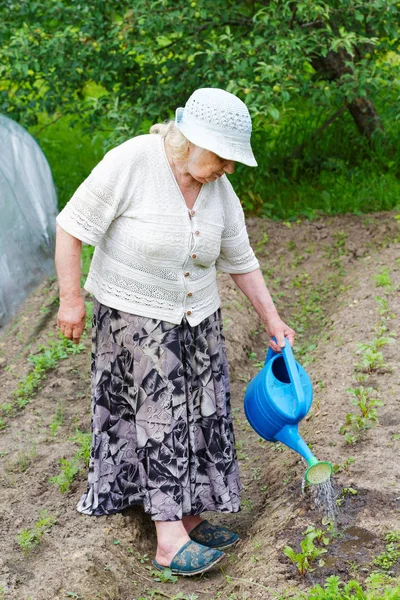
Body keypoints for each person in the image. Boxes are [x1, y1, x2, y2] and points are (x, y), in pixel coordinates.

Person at [55, 87, 295, 576]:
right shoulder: (133, 161)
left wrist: (273, 320)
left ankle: (188, 515)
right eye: (224, 159)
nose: (228, 170)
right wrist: (71, 299)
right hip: (134, 319)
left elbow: (241, 261)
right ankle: (167, 539)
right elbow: (71, 227)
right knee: (159, 418)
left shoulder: (218, 189)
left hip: (196, 318)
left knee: (201, 415)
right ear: (191, 142)